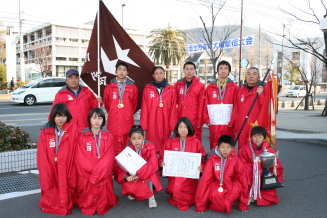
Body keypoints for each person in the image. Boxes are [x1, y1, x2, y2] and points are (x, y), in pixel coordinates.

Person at [75, 108, 118, 216]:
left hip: (102, 173)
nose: (97, 121)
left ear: (103, 120)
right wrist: (94, 173)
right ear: (89, 120)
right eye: (94, 118)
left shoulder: (108, 136)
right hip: (88, 174)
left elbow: (109, 157)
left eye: (100, 118)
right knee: (88, 195)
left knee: (103, 196)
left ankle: (102, 204)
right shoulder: (82, 136)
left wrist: (98, 172)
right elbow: (80, 157)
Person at [37, 103, 78, 216]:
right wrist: (44, 169)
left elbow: (76, 149)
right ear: (53, 116)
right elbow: (41, 153)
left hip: (67, 164)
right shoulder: (45, 131)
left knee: (68, 184)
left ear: (68, 116)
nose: (61, 119)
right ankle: (58, 203)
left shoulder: (72, 129)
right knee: (52, 185)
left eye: (63, 116)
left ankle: (65, 202)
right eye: (58, 116)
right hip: (51, 164)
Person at [160, 117, 206, 211]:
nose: (183, 129)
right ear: (177, 128)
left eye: (185, 127)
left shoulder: (196, 142)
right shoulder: (170, 142)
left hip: (189, 177)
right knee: (174, 190)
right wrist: (161, 163)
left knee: (187, 197)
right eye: (180, 127)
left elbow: (202, 158)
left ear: (189, 128)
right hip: (174, 175)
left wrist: (201, 167)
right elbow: (162, 156)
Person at [195, 135, 249, 214]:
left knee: (236, 189)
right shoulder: (212, 159)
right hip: (216, 183)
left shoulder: (235, 159)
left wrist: (243, 204)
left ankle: (227, 203)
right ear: (218, 147)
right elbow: (205, 180)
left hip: (231, 183)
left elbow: (242, 178)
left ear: (232, 148)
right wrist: (200, 206)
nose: (225, 150)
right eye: (222, 147)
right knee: (217, 197)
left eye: (228, 147)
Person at [114, 125, 163, 208]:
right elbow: (120, 166)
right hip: (134, 174)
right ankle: (134, 193)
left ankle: (151, 197)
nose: (137, 141)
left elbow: (153, 165)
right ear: (129, 139)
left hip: (147, 173)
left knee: (150, 175)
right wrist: (126, 176)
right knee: (128, 185)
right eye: (134, 138)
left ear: (143, 138)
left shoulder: (151, 148)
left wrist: (139, 175)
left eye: (139, 138)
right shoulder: (128, 149)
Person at [238, 126, 284, 206]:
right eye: (255, 136)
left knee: (267, 199)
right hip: (250, 174)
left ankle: (259, 194)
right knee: (245, 168)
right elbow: (241, 164)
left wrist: (277, 178)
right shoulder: (245, 148)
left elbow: (276, 166)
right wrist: (256, 168)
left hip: (264, 174)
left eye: (260, 136)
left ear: (264, 138)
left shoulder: (269, 150)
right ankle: (249, 193)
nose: (257, 139)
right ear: (251, 137)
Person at [103, 62, 138, 154]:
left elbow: (134, 105)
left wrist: (127, 112)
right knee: (113, 141)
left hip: (127, 119)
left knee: (127, 140)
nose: (121, 72)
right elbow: (107, 104)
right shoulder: (109, 87)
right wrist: (114, 111)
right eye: (119, 69)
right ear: (115, 71)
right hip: (113, 118)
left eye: (124, 70)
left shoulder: (133, 87)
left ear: (127, 73)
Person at [140, 66, 177, 153]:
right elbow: (144, 108)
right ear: (153, 75)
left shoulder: (171, 89)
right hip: (152, 122)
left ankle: (163, 165)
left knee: (166, 146)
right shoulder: (147, 89)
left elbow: (173, 109)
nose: (159, 75)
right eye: (156, 74)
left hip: (166, 121)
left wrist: (173, 127)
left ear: (164, 74)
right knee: (152, 146)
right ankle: (154, 164)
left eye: (161, 73)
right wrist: (144, 126)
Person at [204, 60, 238, 149]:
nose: (223, 71)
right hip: (214, 123)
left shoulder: (234, 88)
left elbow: (237, 106)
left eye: (226, 68)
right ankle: (213, 163)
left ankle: (228, 163)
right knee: (215, 145)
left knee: (228, 146)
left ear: (229, 71)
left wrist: (233, 120)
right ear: (217, 71)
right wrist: (207, 119)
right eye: (221, 68)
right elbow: (205, 104)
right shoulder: (210, 87)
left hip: (228, 124)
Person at [228, 67, 265, 149]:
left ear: (258, 77)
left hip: (255, 127)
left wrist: (261, 95)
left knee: (253, 151)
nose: (251, 76)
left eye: (254, 74)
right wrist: (233, 122)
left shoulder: (262, 90)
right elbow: (236, 109)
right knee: (241, 150)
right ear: (245, 77)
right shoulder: (241, 90)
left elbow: (266, 109)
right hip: (241, 125)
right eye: (248, 74)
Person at [175, 62, 205, 142]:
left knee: (194, 142)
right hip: (181, 118)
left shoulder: (200, 86)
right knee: (180, 142)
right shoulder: (178, 84)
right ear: (183, 71)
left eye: (191, 69)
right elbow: (174, 102)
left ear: (195, 71)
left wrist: (199, 121)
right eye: (187, 69)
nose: (189, 71)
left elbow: (202, 104)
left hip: (194, 119)